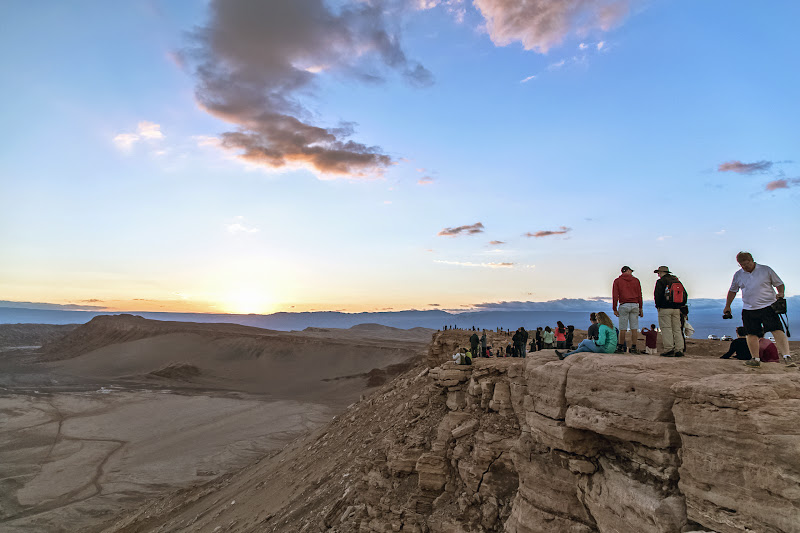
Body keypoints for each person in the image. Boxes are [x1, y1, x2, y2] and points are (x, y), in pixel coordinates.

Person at [724, 251, 795, 368]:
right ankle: (755, 359)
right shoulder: (738, 274)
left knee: (777, 330)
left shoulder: (766, 270)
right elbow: (732, 291)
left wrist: (780, 293)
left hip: (768, 306)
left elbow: (779, 283)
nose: (745, 267)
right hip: (748, 308)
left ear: (752, 260)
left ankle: (787, 356)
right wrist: (727, 306)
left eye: (747, 264)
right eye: (742, 265)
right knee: (751, 333)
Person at [653, 266, 686, 357]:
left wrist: (658, 306)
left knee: (666, 328)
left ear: (662, 272)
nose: (658, 274)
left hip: (664, 308)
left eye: (659, 272)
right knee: (677, 329)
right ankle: (679, 349)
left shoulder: (661, 281)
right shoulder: (677, 281)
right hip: (676, 308)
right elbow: (684, 295)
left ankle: (669, 349)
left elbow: (658, 295)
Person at [613, 266, 644, 354]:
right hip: (635, 305)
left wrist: (614, 308)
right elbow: (639, 295)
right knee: (634, 328)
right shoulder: (636, 280)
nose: (631, 273)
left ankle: (620, 347)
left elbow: (615, 295)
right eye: (631, 271)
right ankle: (633, 347)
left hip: (624, 305)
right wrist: (641, 308)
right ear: (627, 270)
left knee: (622, 328)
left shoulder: (617, 281)